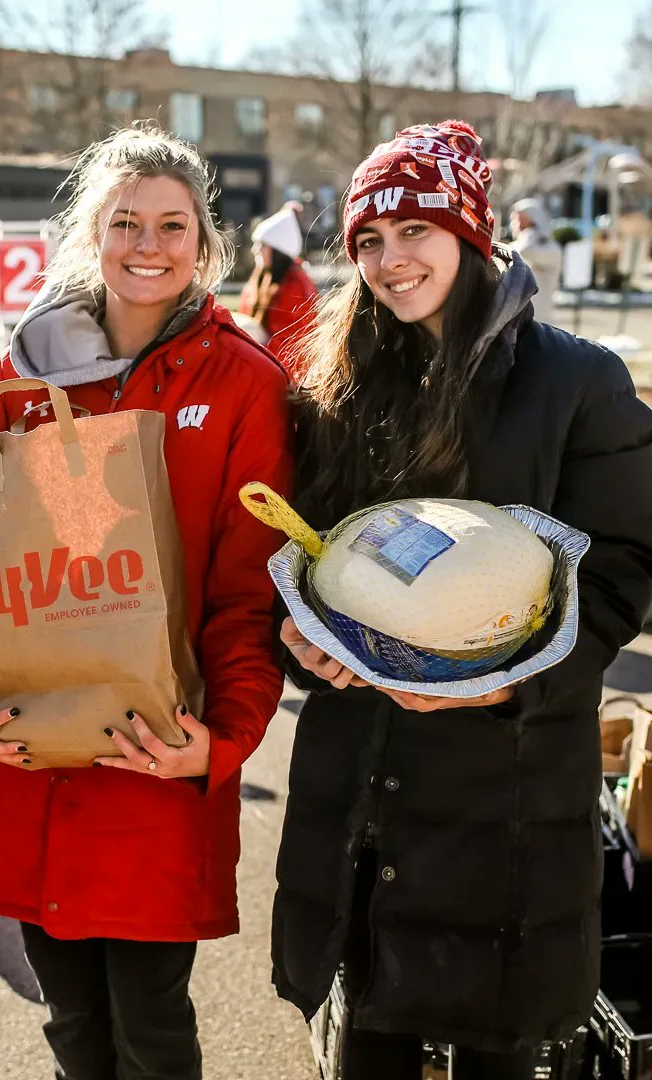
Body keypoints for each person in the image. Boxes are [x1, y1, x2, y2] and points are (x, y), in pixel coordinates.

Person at [270, 119, 652, 1080]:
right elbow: (305, 559)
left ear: (471, 234)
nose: (390, 261)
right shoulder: (339, 384)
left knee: (500, 1046)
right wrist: (301, 639)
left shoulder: (578, 382)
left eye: (414, 231)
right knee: (373, 1041)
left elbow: (624, 568)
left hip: (507, 782)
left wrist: (514, 686)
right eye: (368, 241)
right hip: (369, 773)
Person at [0, 124, 291, 1080]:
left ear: (206, 246)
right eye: (125, 222)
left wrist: (226, 742)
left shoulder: (244, 383)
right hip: (35, 753)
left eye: (173, 226)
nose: (147, 245)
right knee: (72, 1025)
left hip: (154, 757)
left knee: (153, 1029)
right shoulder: (24, 373)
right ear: (93, 233)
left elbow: (250, 592)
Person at [236, 201, 318, 374]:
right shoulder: (263, 276)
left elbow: (292, 346)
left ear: (277, 250)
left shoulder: (296, 286)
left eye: (261, 245)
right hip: (261, 366)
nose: (254, 250)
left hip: (282, 376)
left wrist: (252, 348)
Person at [509, 197, 562, 325]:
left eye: (521, 219)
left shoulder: (550, 249)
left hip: (539, 319)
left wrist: (530, 234)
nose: (516, 224)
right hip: (514, 319)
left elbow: (527, 251)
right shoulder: (515, 245)